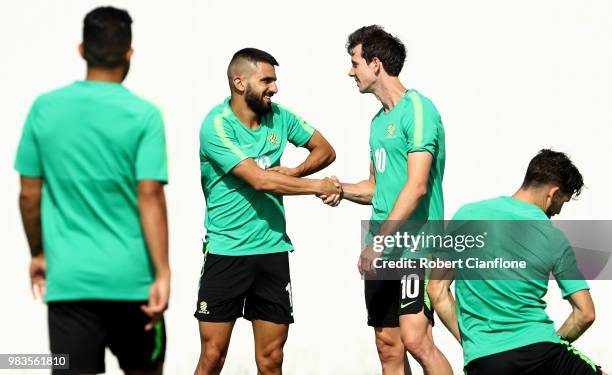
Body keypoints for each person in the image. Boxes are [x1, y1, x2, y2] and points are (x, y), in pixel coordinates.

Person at [14, 6, 169, 375]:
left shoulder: (44, 109)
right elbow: (149, 196)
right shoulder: (144, 115)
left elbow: (29, 194)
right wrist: (162, 273)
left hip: (70, 286)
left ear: (82, 49)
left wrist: (38, 253)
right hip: (133, 285)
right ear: (129, 54)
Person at [194, 47, 340, 375]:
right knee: (213, 356)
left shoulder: (280, 117)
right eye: (267, 80)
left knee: (272, 359)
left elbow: (325, 150)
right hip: (226, 252)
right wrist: (319, 186)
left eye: (274, 80)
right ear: (239, 83)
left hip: (272, 251)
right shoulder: (215, 125)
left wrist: (293, 173)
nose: (274, 88)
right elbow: (259, 180)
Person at [323, 25, 452, 375]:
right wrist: (339, 188)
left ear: (375, 63)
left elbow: (417, 186)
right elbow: (375, 188)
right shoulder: (377, 123)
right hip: (382, 250)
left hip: (416, 246)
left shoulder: (419, 109)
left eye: (355, 62)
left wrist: (378, 243)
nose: (351, 72)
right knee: (387, 347)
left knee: (415, 339)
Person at [427, 149, 605, 375]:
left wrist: (476, 344)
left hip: (484, 360)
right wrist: (548, 342)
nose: (559, 212)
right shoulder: (553, 237)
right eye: (563, 202)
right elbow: (585, 313)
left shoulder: (466, 215)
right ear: (553, 193)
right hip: (541, 353)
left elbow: (436, 290)